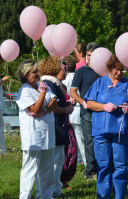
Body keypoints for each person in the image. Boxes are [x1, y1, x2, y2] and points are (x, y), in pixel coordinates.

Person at [84, 54, 128, 198]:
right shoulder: (99, 83)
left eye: (122, 70)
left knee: (121, 166)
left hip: (122, 130)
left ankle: (119, 196)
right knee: (104, 165)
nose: (119, 73)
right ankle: (103, 196)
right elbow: (89, 103)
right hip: (101, 131)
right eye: (116, 70)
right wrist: (104, 106)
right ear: (109, 68)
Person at [16, 59, 58, 199]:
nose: (38, 74)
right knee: (30, 168)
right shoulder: (24, 91)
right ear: (26, 75)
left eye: (37, 71)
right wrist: (42, 94)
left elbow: (54, 101)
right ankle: (25, 196)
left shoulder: (42, 85)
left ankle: (46, 196)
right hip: (33, 135)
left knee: (47, 168)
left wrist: (45, 111)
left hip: (47, 132)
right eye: (34, 72)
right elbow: (35, 108)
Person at [36, 56, 74, 198]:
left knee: (59, 160)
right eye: (59, 65)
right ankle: (48, 191)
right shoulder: (50, 83)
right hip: (55, 126)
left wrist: (67, 105)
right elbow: (52, 106)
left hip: (59, 126)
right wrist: (65, 109)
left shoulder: (54, 83)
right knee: (53, 161)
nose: (62, 67)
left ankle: (56, 189)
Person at [70, 42, 101, 180]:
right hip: (87, 112)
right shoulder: (81, 71)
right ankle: (90, 172)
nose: (89, 58)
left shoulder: (104, 71)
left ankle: (102, 169)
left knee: (102, 140)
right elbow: (73, 91)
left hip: (103, 111)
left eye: (92, 55)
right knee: (89, 141)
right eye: (88, 55)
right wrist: (83, 102)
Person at [63, 56, 86, 167]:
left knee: (78, 141)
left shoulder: (66, 80)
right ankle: (81, 161)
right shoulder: (79, 75)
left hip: (73, 111)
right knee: (81, 139)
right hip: (80, 109)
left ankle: (86, 164)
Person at [59, 56, 78, 190]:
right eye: (62, 70)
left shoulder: (63, 86)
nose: (65, 72)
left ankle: (64, 179)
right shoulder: (52, 86)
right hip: (60, 124)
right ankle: (60, 181)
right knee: (62, 154)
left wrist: (69, 103)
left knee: (72, 153)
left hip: (68, 123)